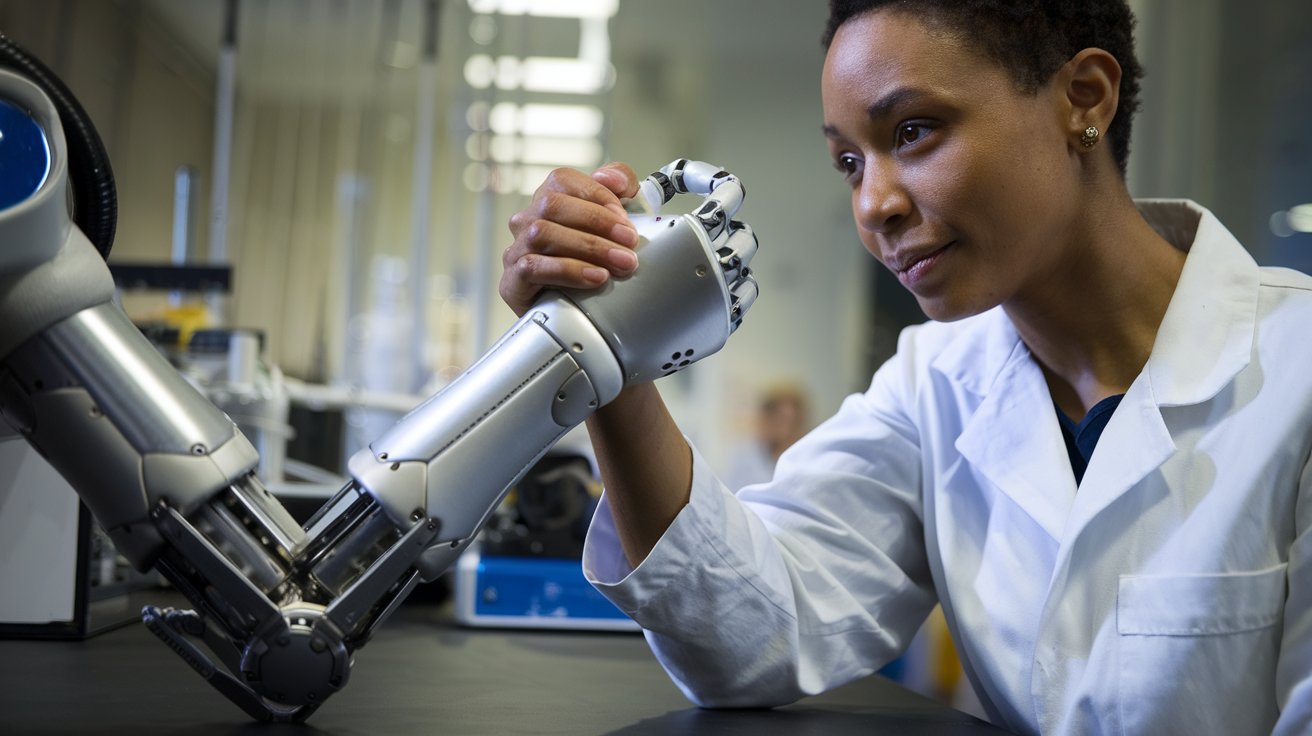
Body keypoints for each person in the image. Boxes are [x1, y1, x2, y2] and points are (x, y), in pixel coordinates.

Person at [498, 1, 1312, 733]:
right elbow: (753, 635)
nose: (872, 204)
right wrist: (607, 349)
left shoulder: (1296, 366)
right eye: (849, 162)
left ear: (1084, 99)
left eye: (913, 132)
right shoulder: (936, 383)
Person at [723, 383, 811, 491]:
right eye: (781, 419)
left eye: (794, 421)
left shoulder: (806, 461)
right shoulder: (744, 456)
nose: (787, 430)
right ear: (767, 417)